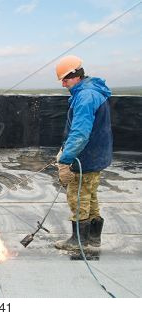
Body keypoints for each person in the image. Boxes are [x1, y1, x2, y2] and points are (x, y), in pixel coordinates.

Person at [54, 55, 113, 251]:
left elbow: (80, 133)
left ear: (76, 76)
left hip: (86, 157)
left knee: (77, 196)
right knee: (90, 195)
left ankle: (78, 241)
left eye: (65, 79)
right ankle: (93, 239)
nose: (63, 84)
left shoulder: (85, 97)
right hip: (95, 155)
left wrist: (66, 159)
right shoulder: (91, 92)